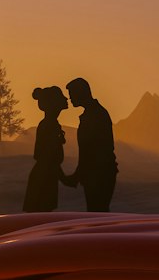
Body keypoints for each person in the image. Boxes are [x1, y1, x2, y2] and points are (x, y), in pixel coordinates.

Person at [61, 77, 117, 211]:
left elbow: (90, 151)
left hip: (99, 174)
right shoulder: (95, 113)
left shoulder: (95, 115)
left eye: (72, 94)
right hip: (98, 173)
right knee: (98, 211)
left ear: (81, 93)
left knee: (97, 212)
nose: (70, 98)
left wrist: (77, 175)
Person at [22, 85, 68, 212]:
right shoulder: (49, 125)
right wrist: (64, 178)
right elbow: (46, 156)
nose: (66, 99)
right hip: (44, 178)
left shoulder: (51, 124)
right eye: (61, 97)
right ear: (54, 103)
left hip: (46, 176)